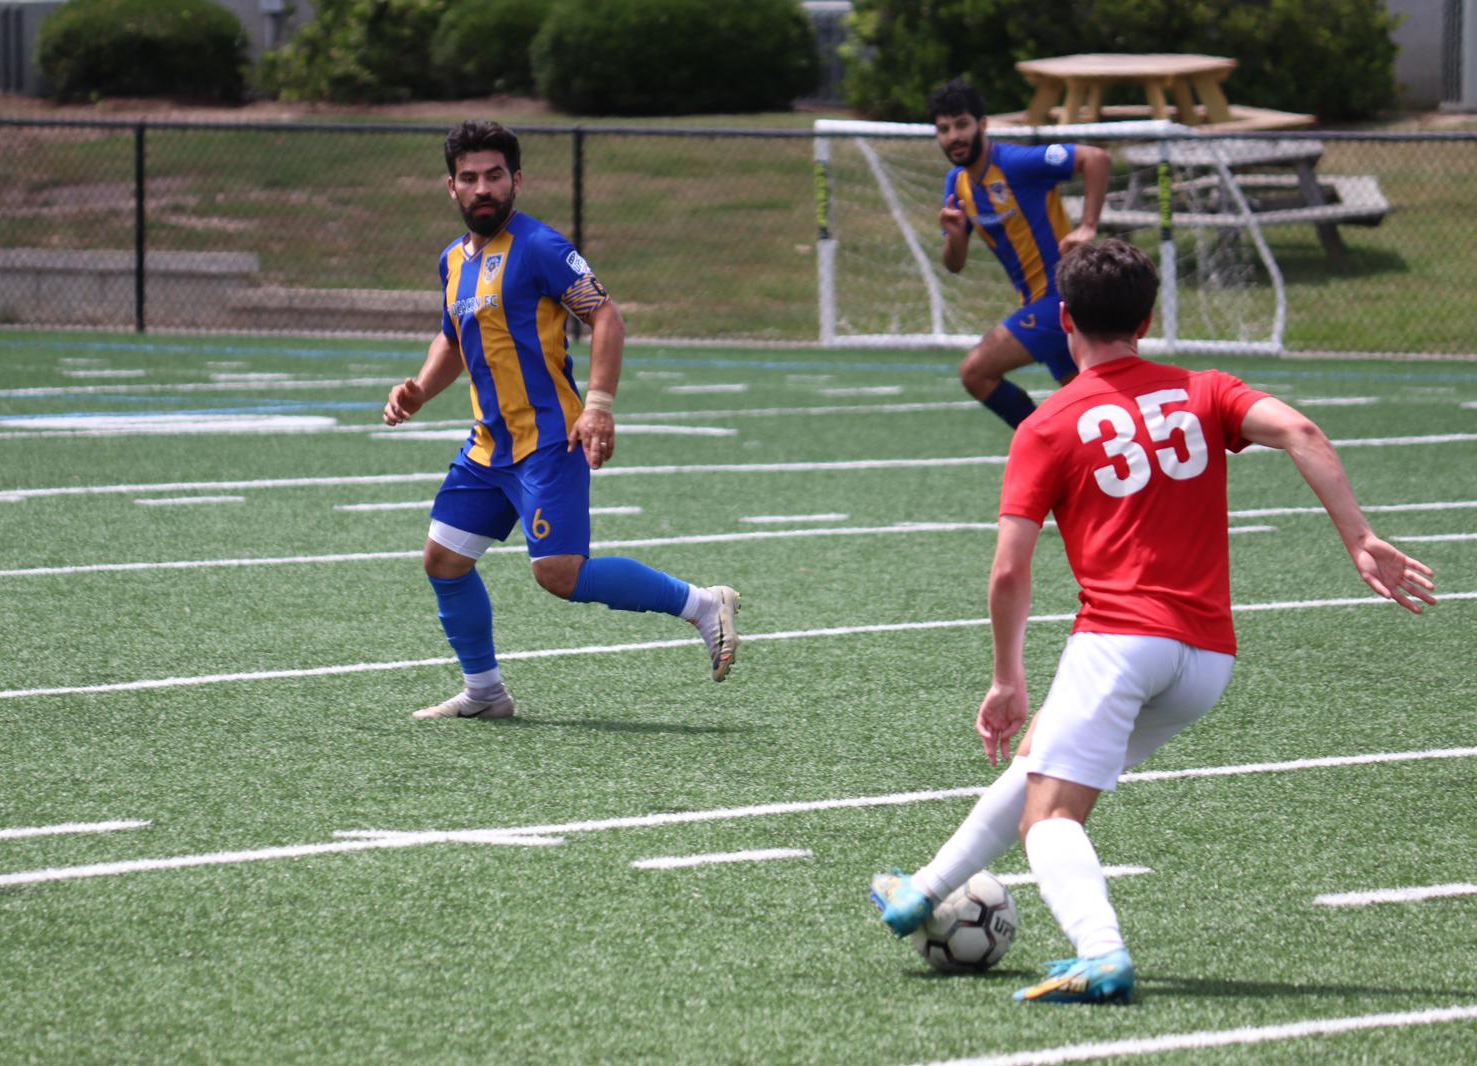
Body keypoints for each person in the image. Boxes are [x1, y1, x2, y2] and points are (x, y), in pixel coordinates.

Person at [870, 239, 1436, 1003]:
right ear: (1149, 316)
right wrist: (1360, 537)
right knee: (1041, 764)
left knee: (1050, 817)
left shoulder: (1049, 423)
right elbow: (1303, 432)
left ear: (1063, 319)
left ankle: (1102, 953)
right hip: (1206, 660)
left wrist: (1007, 676)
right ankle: (923, 892)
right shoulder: (1205, 389)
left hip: (1120, 643)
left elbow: (1009, 569)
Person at [383, 120, 741, 720]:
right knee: (443, 561)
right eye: (468, 178)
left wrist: (598, 404)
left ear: (516, 179)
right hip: (487, 448)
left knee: (559, 574)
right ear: (451, 187)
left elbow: (606, 317)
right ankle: (485, 693)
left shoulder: (541, 248)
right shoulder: (452, 260)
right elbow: (452, 338)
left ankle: (703, 604)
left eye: (494, 175)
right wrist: (420, 388)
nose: (482, 188)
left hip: (549, 442)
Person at [930, 77, 1112, 429]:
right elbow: (954, 264)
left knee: (975, 372)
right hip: (1039, 305)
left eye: (962, 125)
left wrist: (1088, 226)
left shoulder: (1016, 163)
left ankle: (1043, 446)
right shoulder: (957, 183)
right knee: (1094, 412)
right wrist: (954, 236)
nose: (953, 136)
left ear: (982, 125)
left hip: (1061, 297)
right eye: (944, 129)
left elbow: (1097, 159)